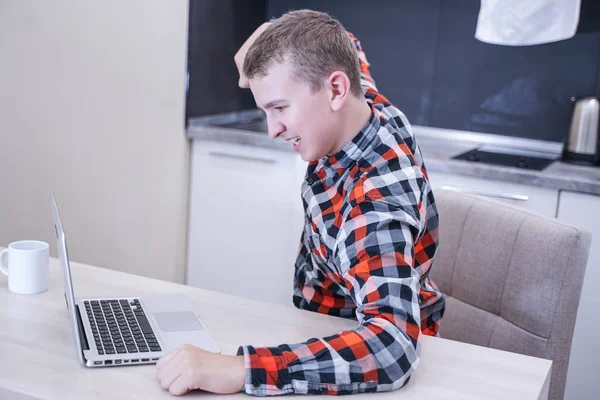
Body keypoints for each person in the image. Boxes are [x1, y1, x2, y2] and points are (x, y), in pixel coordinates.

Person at [156, 9, 445, 396]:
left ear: (336, 91)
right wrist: (259, 51)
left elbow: (391, 348)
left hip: (351, 351)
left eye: (279, 108)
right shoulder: (358, 97)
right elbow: (338, 38)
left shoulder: (377, 198)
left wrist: (241, 369)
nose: (272, 130)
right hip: (314, 324)